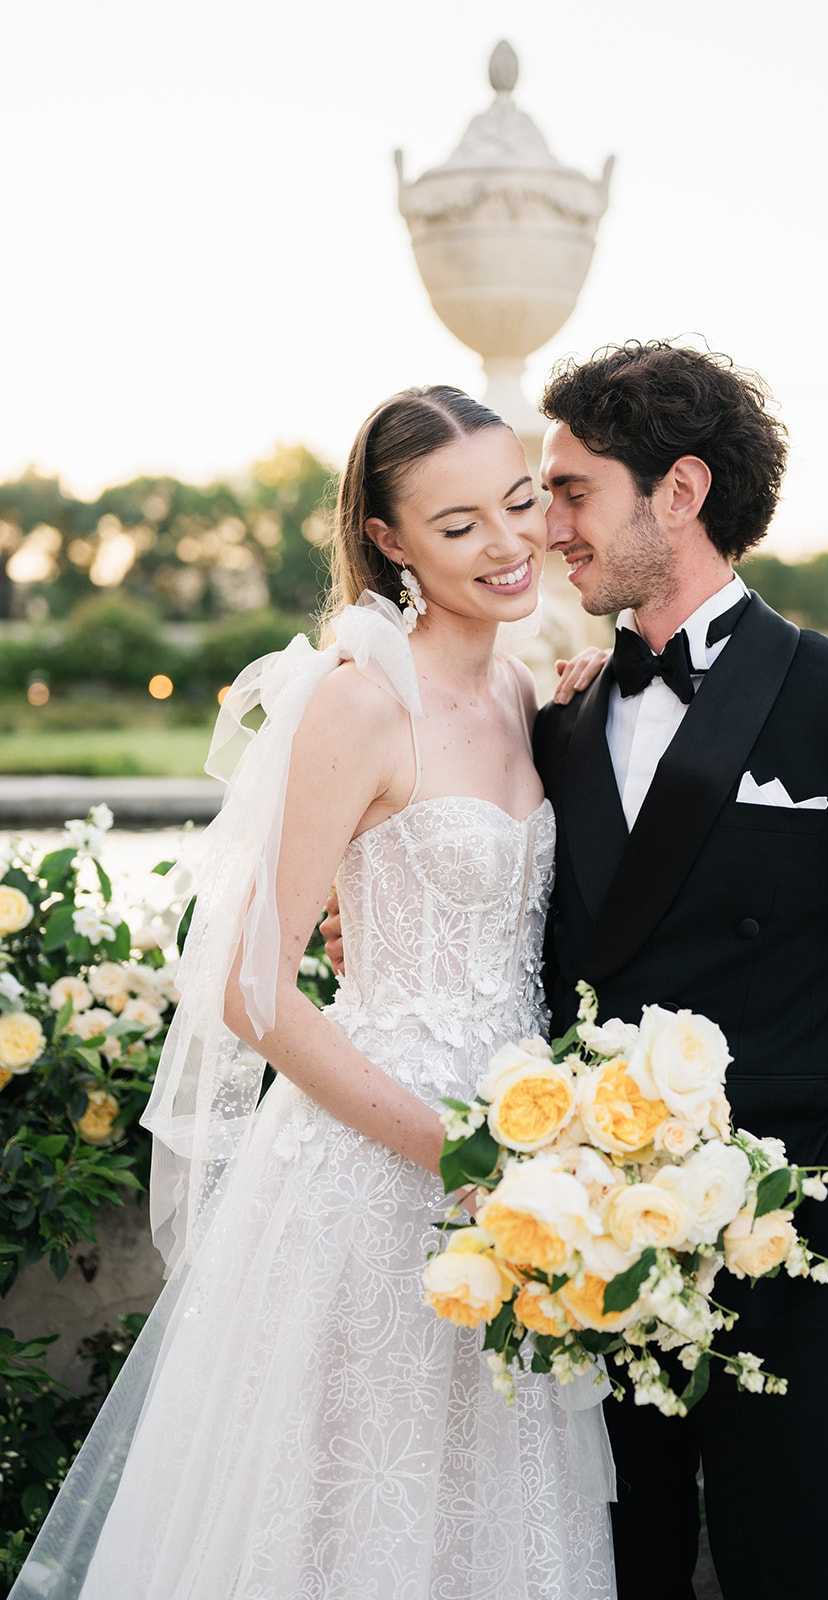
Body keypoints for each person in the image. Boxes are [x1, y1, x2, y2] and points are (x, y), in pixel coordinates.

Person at [11, 386, 615, 1600]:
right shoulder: (357, 698)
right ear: (389, 540)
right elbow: (250, 986)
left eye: (518, 503)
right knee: (352, 1530)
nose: (507, 546)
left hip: (525, 1182)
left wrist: (526, 1163)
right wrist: (449, 1149)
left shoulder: (530, 686)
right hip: (374, 1180)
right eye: (458, 527)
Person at [532, 340, 828, 1599]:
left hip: (770, 1238)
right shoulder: (557, 722)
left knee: (778, 1566)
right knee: (601, 1562)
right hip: (573, 1238)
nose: (550, 527)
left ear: (680, 492)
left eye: (574, 491)